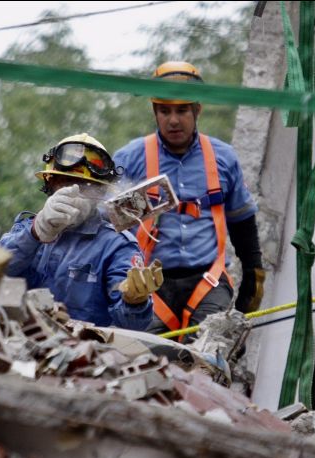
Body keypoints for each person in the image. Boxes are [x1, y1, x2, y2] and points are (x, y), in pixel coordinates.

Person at [113, 61, 265, 338]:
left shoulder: (223, 158)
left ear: (197, 109)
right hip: (150, 281)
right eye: (165, 111)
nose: (173, 120)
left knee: (207, 353)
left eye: (182, 110)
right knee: (147, 355)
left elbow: (242, 222)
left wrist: (253, 272)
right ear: (155, 112)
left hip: (208, 280)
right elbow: (108, 226)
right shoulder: (130, 159)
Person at [0, 133, 163, 331]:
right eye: (65, 183)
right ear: (50, 184)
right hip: (18, 342)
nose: (73, 191)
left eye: (85, 186)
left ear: (101, 193)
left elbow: (132, 325)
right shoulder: (27, 230)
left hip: (82, 352)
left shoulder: (116, 245)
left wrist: (134, 302)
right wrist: (36, 232)